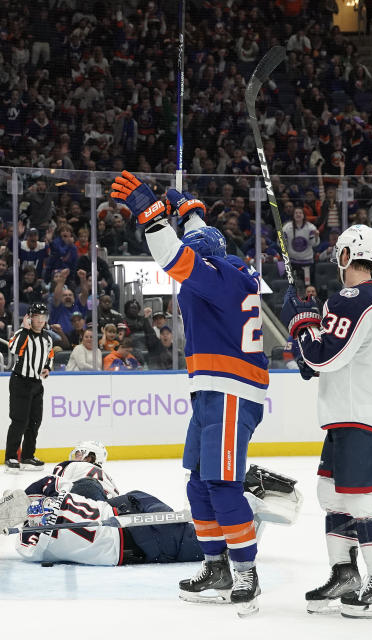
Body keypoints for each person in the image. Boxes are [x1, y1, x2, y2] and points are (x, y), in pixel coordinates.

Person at [110, 172, 268, 616]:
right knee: (198, 483)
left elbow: (173, 256)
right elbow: (202, 243)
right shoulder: (228, 267)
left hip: (231, 391)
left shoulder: (215, 278)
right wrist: (192, 213)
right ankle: (215, 566)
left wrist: (152, 214)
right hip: (211, 392)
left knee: (221, 484)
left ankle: (245, 573)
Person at [279, 224, 372, 619]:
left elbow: (322, 358)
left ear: (348, 256)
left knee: (360, 496)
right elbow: (323, 359)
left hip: (358, 413)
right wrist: (308, 332)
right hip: (355, 410)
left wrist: (301, 325)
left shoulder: (350, 298)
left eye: (340, 253)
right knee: (331, 491)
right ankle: (345, 573)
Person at [13, 463, 301, 568]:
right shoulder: (49, 501)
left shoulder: (29, 545)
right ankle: (244, 498)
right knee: (202, 532)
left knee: (212, 545)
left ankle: (248, 496)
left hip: (135, 533)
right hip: (129, 517)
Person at [4, 302, 54, 471]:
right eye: (36, 317)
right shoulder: (21, 334)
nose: (40, 321)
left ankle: (27, 456)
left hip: (36, 384)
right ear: (29, 318)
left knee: (34, 421)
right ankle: (11, 457)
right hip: (20, 382)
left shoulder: (47, 338)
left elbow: (50, 355)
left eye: (43, 317)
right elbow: (14, 349)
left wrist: (48, 367)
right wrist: (25, 330)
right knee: (19, 421)